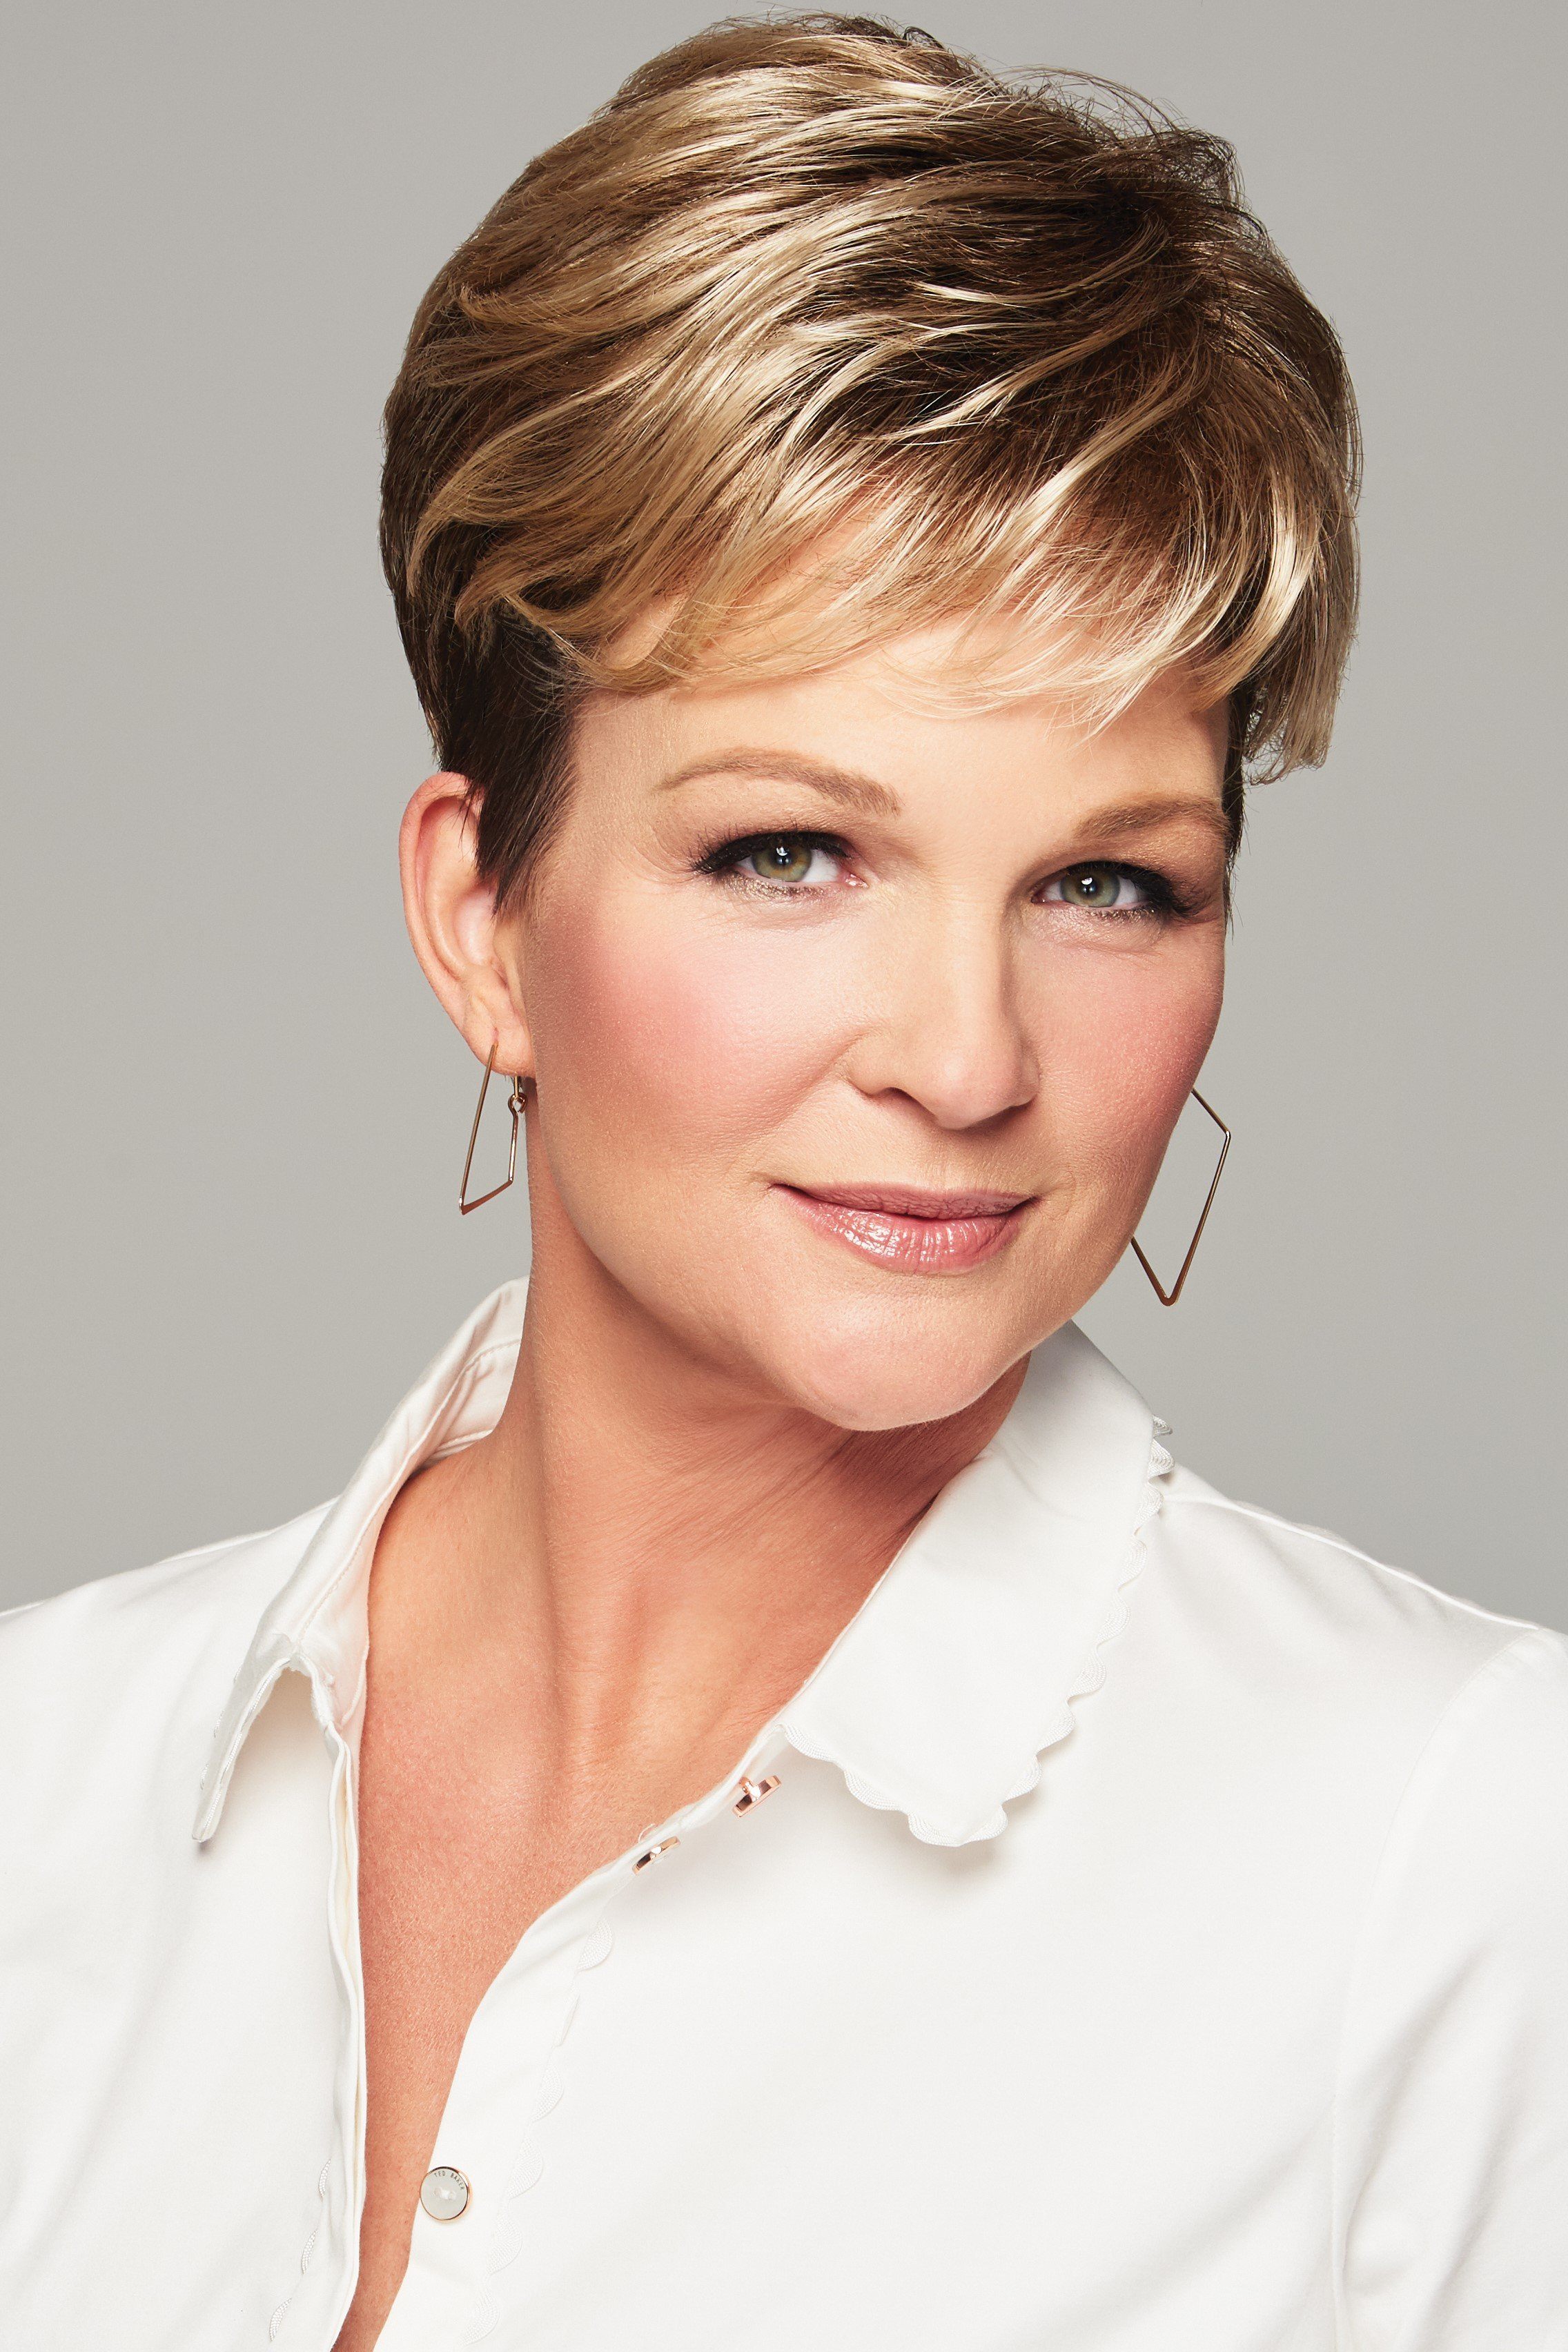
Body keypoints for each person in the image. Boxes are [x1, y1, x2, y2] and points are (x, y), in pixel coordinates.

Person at [2, 16, 1563, 2349]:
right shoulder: (43, 1790)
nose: (967, 1058)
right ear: (483, 916)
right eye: (792, 852)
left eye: (1111, 885)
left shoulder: (1458, 1860)